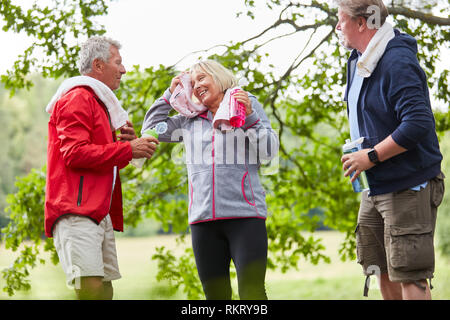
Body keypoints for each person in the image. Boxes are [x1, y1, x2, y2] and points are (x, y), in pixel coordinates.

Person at [142, 60, 279, 300]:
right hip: (203, 220)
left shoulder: (246, 104)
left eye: (202, 79)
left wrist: (249, 117)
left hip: (245, 217)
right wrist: (168, 95)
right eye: (192, 83)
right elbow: (152, 128)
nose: (196, 86)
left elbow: (268, 152)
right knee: (215, 297)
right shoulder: (189, 118)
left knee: (252, 294)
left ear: (219, 77)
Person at [336, 0, 445, 300]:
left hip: (409, 185)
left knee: (410, 274)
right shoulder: (356, 61)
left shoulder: (396, 60)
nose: (337, 27)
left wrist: (370, 157)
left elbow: (418, 123)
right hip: (374, 187)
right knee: (377, 268)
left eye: (341, 19)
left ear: (361, 23)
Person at [44, 36, 159, 300]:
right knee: (92, 291)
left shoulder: (98, 104)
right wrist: (128, 150)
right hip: (77, 211)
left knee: (104, 292)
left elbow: (99, 159)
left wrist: (126, 147)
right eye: (118, 62)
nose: (124, 69)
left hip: (96, 212)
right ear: (98, 65)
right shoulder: (78, 98)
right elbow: (74, 154)